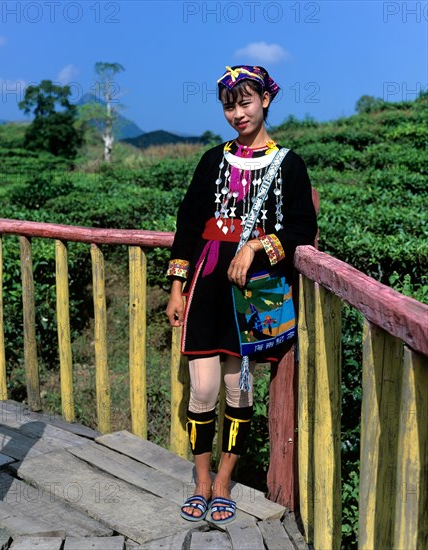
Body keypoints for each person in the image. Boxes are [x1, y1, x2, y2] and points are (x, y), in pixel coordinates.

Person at [165, 65, 317, 525]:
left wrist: (255, 245)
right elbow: (188, 224)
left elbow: (300, 229)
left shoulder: (288, 163)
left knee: (237, 389)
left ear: (266, 100)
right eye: (229, 105)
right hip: (208, 282)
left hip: (254, 291)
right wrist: (176, 287)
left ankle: (224, 483)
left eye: (245, 102)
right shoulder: (213, 159)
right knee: (203, 388)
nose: (237, 113)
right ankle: (200, 480)